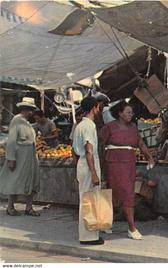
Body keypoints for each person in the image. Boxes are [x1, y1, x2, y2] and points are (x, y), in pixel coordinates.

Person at [100, 101, 155, 240]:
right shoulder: (109, 127)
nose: (131, 114)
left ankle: (130, 227)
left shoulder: (133, 127)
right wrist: (99, 166)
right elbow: (100, 145)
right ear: (119, 113)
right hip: (113, 163)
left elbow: (141, 143)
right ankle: (114, 223)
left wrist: (149, 157)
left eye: (131, 112)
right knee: (115, 193)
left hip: (129, 163)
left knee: (127, 192)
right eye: (128, 112)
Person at [0, 97, 40, 217]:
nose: (31, 112)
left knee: (32, 180)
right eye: (29, 109)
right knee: (15, 180)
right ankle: (10, 206)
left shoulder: (27, 123)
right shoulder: (16, 120)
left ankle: (29, 207)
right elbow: (11, 141)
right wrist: (11, 158)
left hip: (30, 156)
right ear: (24, 109)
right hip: (20, 156)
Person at [72, 97, 104, 245]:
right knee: (90, 200)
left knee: (87, 199)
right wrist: (94, 173)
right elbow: (89, 151)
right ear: (94, 108)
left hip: (83, 164)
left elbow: (74, 151)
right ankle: (88, 237)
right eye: (98, 107)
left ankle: (91, 234)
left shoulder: (79, 125)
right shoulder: (89, 126)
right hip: (88, 163)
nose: (99, 110)